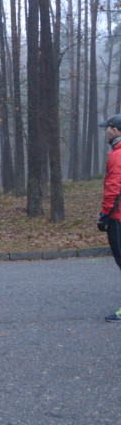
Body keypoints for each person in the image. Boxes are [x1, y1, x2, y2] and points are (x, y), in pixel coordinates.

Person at [99, 115, 121, 321]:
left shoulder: (117, 155)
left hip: (118, 217)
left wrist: (104, 215)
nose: (105, 131)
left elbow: (114, 189)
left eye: (108, 128)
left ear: (115, 131)